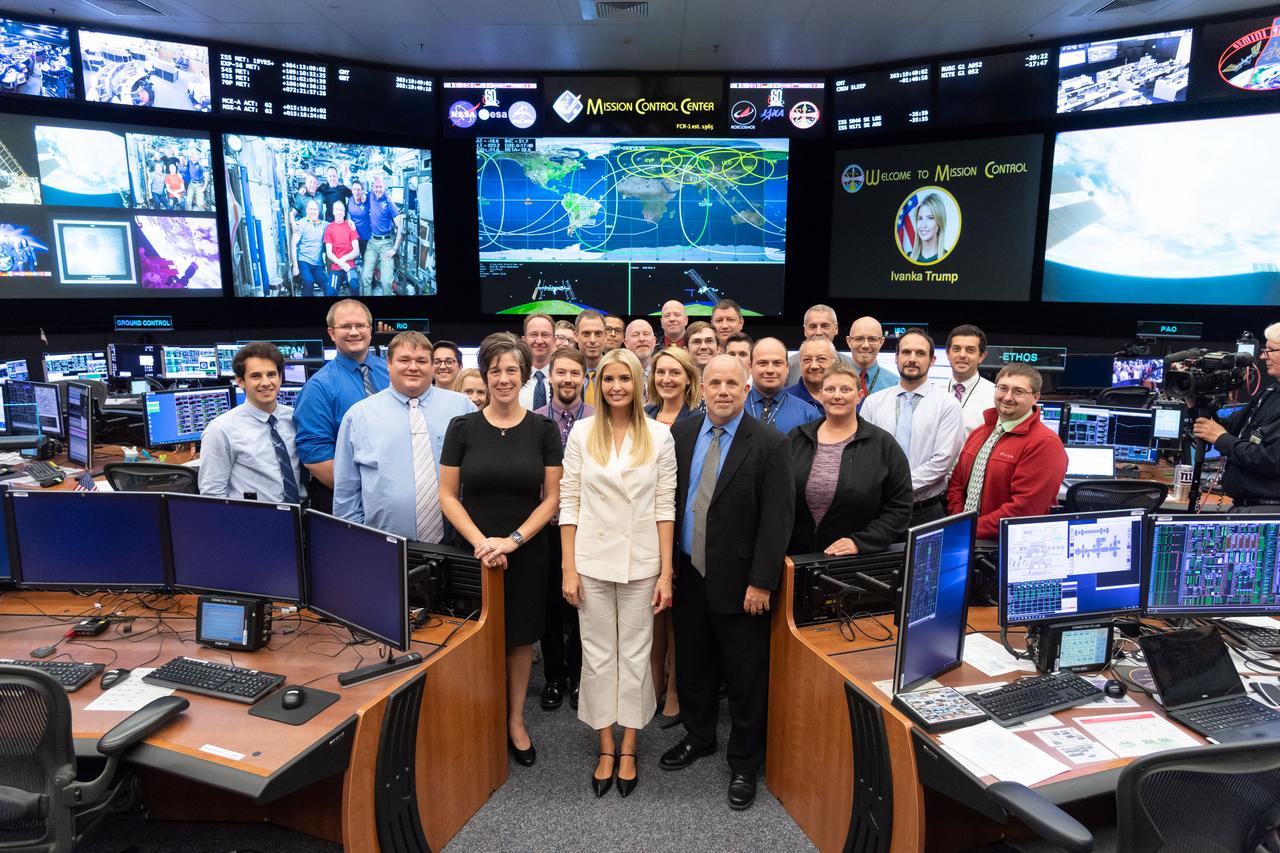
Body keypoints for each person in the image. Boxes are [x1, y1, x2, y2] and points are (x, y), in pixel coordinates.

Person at [660, 355, 794, 811]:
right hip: (688, 573)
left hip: (742, 585)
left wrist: (762, 582)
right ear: (703, 387)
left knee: (745, 677)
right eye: (714, 382)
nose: (721, 391)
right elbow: (671, 502)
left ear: (746, 388)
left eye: (731, 384)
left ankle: (744, 761)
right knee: (694, 666)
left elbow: (778, 521)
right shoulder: (681, 432)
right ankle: (700, 736)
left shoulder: (771, 443)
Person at [440, 333, 563, 768]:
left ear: (525, 375)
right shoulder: (463, 428)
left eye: (512, 370)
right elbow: (448, 495)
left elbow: (551, 498)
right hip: (473, 551)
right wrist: (481, 542)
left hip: (526, 550)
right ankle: (480, 718)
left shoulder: (543, 430)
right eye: (496, 370)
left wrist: (511, 541)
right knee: (472, 640)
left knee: (519, 641)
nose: (504, 378)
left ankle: (514, 721)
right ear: (485, 375)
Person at [560, 348, 676, 798]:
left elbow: (664, 508)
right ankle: (604, 743)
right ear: (599, 383)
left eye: (624, 379)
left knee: (635, 654)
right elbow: (569, 502)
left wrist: (666, 573)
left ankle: (630, 743)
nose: (616, 387)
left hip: (641, 563)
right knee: (597, 654)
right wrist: (569, 567)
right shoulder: (583, 433)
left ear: (637, 383)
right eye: (608, 379)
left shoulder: (660, 436)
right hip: (590, 561)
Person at [333, 331, 474, 540]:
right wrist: (357, 542)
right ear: (388, 363)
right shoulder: (358, 416)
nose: (413, 367)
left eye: (421, 361)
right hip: (383, 545)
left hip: (458, 542)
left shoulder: (463, 408)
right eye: (404, 360)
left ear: (432, 365)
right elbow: (346, 494)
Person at [788, 363, 913, 555]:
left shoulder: (883, 445)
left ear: (860, 395)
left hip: (854, 564)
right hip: (797, 559)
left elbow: (900, 508)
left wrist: (861, 542)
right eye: (830, 389)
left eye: (845, 389)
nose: (837, 395)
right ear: (821, 395)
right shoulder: (796, 438)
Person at [947, 364, 1068, 540]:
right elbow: (957, 483)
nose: (1008, 397)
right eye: (1003, 388)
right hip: (966, 537)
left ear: (1035, 397)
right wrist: (959, 522)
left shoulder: (1045, 444)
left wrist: (969, 529)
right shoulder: (980, 432)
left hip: (1006, 547)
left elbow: (1024, 509)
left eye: (1018, 391)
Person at [535, 348, 593, 713]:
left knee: (581, 606)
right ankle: (554, 676)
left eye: (575, 373)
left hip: (587, 528)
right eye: (562, 373)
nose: (568, 379)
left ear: (584, 378)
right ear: (551, 377)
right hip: (545, 529)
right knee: (549, 608)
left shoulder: (597, 419)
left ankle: (579, 676)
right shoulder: (535, 420)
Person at [860, 329, 964, 526]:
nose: (912, 359)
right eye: (906, 352)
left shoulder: (948, 405)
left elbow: (941, 463)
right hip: (879, 510)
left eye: (920, 353)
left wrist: (896, 487)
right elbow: (865, 454)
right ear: (896, 357)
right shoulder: (873, 403)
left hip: (925, 512)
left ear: (932, 360)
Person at [294, 300, 389, 513]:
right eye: (346, 326)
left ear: (370, 330)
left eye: (360, 325)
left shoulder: (391, 373)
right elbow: (316, 457)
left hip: (395, 496)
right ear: (331, 333)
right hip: (346, 502)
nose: (354, 332)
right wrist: (371, 495)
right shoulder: (318, 387)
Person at [199, 342, 303, 503]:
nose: (266, 382)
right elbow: (213, 493)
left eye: (271, 374)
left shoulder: (295, 418)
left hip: (302, 516)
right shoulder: (221, 429)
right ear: (240, 381)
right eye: (256, 376)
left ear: (280, 377)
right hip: (253, 520)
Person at [1192, 322, 1280, 511]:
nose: (1263, 356)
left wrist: (1221, 439)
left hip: (1266, 510)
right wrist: (1194, 401)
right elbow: (1231, 428)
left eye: (1270, 350)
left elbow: (1271, 460)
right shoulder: (1271, 391)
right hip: (1246, 506)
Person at [747, 337, 821, 435]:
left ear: (787, 368)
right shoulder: (733, 409)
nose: (770, 370)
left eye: (777, 363)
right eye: (762, 363)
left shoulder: (808, 414)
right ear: (750, 367)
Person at [947, 324, 996, 436]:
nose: (962, 355)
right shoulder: (933, 392)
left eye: (970, 350)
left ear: (981, 356)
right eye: (956, 349)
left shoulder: (995, 396)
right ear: (948, 354)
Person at [786, 304, 854, 385]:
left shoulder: (851, 366)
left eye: (825, 326)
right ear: (805, 330)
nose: (819, 332)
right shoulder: (789, 366)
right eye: (813, 326)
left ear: (836, 328)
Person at [359, 174, 403, 295]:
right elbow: (362, 195)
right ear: (373, 187)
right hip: (372, 243)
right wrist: (362, 195)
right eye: (376, 187)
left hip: (386, 244)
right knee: (365, 277)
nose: (378, 189)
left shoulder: (389, 203)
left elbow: (401, 227)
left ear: (384, 187)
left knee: (385, 281)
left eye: (380, 187)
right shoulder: (370, 196)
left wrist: (395, 248)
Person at [846, 316, 898, 398]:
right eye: (859, 339)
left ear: (881, 342)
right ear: (849, 341)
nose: (865, 345)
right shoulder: (833, 380)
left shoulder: (895, 385)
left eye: (872, 339)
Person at [787, 336, 837, 411]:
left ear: (835, 363)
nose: (814, 366)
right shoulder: (784, 399)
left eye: (821, 359)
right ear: (800, 363)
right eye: (807, 359)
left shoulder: (847, 397)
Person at [291, 199, 328, 297]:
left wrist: (349, 222)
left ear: (319, 210)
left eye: (315, 209)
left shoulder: (324, 225)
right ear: (307, 210)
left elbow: (337, 225)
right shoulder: (301, 224)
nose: (313, 211)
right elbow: (293, 244)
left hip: (318, 264)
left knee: (328, 286)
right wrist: (295, 266)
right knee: (308, 282)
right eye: (311, 209)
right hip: (304, 262)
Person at [324, 199, 360, 297]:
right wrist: (340, 263)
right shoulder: (329, 228)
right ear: (333, 211)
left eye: (341, 210)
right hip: (336, 267)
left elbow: (356, 251)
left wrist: (344, 260)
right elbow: (329, 253)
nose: (339, 212)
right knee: (330, 292)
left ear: (344, 213)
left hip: (350, 266)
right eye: (337, 209)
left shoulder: (350, 226)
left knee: (355, 286)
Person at [519, 312, 555, 410]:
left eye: (545, 335)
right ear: (524, 340)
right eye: (534, 335)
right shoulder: (514, 379)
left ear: (554, 340)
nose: (539, 341)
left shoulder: (562, 379)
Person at [575, 310, 608, 407]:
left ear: (605, 336)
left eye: (598, 334)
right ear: (576, 336)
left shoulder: (615, 371)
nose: (592, 340)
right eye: (586, 334)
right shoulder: (567, 374)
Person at [910, 192, 947, 263]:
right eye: (920, 218)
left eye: (930, 218)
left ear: (940, 223)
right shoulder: (908, 256)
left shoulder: (949, 257)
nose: (923, 225)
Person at [624, 319, 657, 396]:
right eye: (635, 335)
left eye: (646, 334)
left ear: (654, 341)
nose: (642, 339)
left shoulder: (664, 372)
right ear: (626, 343)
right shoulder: (619, 374)